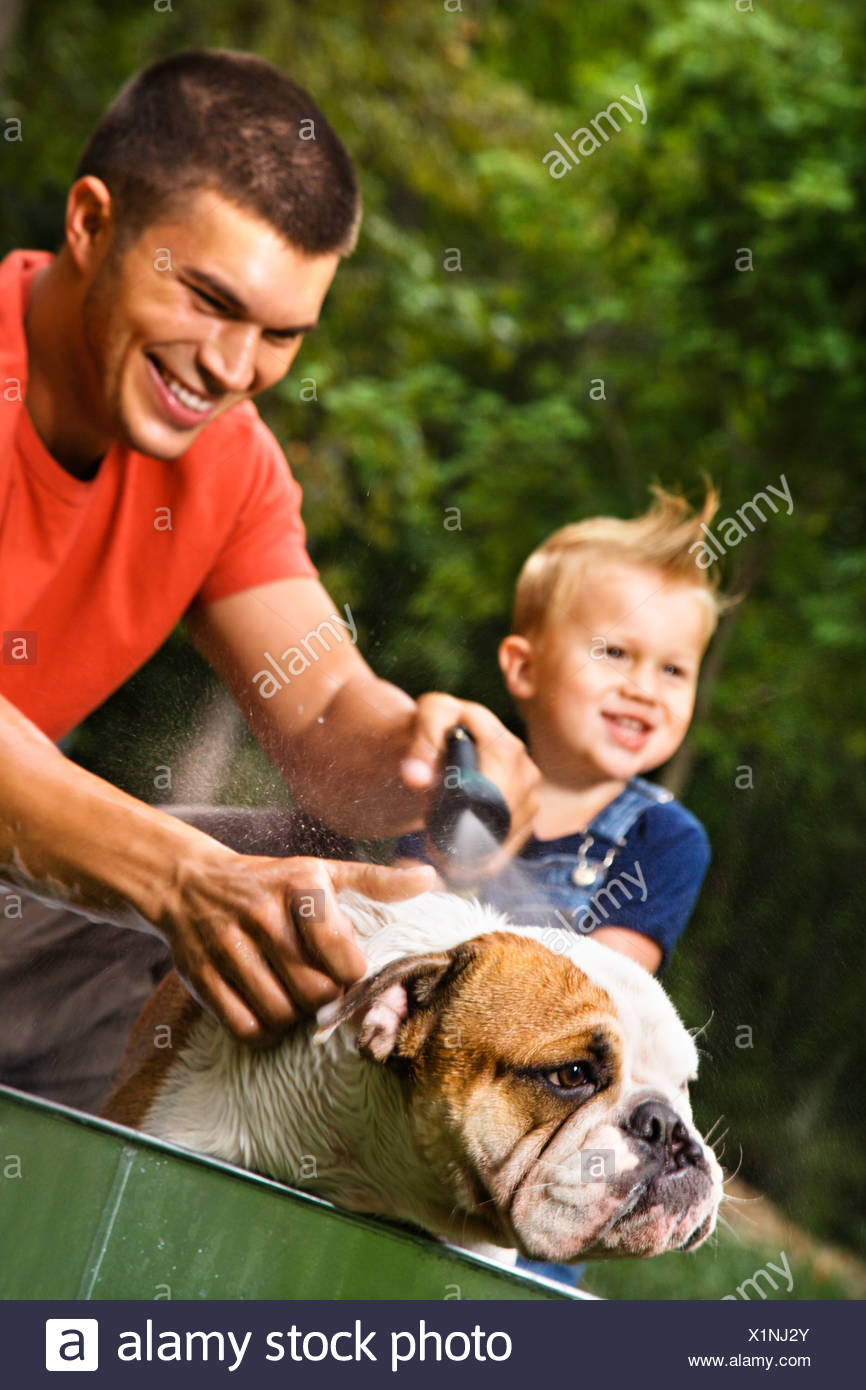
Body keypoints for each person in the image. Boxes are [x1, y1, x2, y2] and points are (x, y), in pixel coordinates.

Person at [0, 49, 537, 1114]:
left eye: (283, 333)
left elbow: (330, 714)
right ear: (91, 222)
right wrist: (173, 875)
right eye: (207, 298)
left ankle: (98, 1212)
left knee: (316, 871)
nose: (234, 366)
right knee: (207, 883)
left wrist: (430, 761)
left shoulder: (227, 464)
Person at [399, 486, 726, 975]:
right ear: (525, 668)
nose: (645, 689)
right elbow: (402, 916)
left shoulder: (663, 838)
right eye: (615, 654)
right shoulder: (460, 781)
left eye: (673, 671)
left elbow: (605, 988)